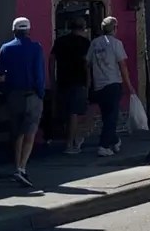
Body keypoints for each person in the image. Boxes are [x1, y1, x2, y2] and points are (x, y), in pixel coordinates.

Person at [0, 16, 46, 187]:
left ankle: (16, 166)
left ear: (14, 30)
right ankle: (22, 168)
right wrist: (41, 94)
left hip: (13, 95)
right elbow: (39, 74)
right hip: (32, 94)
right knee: (30, 132)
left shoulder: (5, 48)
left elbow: (0, 75)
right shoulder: (36, 48)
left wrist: (6, 93)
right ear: (28, 30)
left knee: (17, 132)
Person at [88, 15, 132, 157]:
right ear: (114, 28)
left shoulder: (94, 43)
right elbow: (122, 65)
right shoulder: (116, 43)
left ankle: (114, 140)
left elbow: (86, 62)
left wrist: (90, 80)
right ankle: (104, 145)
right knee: (111, 116)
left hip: (99, 84)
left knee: (107, 115)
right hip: (113, 82)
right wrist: (128, 85)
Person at [51, 15, 92, 153]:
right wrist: (88, 82)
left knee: (66, 111)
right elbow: (87, 65)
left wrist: (52, 78)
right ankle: (70, 144)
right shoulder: (86, 43)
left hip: (62, 79)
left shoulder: (60, 41)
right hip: (78, 80)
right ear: (83, 28)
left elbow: (51, 60)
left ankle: (72, 139)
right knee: (74, 112)